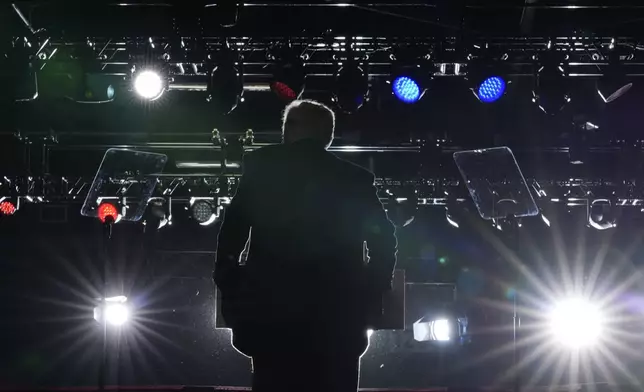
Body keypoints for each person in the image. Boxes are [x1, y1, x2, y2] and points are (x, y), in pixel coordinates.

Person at [214, 99, 398, 392]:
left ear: (288, 130)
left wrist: (230, 282)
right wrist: (371, 288)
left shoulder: (263, 167)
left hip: (272, 313)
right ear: (328, 135)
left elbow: (232, 232)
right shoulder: (355, 179)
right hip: (337, 316)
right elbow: (384, 240)